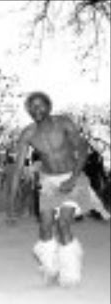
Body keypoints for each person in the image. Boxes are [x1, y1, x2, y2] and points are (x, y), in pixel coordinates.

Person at [10, 91, 96, 287]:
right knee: (45, 226)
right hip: (48, 181)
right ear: (28, 111)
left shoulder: (63, 123)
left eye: (40, 105)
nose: (36, 110)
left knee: (63, 224)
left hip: (72, 177)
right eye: (32, 107)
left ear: (49, 106)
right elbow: (17, 170)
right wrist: (11, 202)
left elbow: (82, 148)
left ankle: (71, 274)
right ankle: (50, 268)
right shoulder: (28, 134)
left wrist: (74, 178)